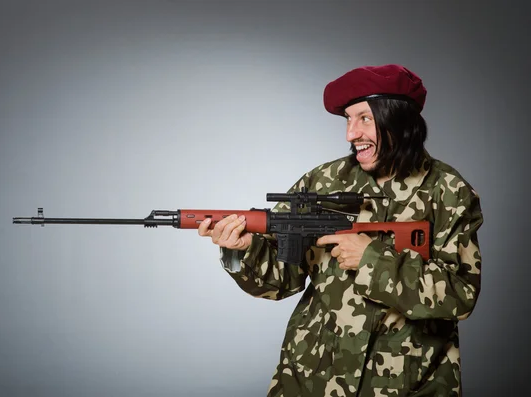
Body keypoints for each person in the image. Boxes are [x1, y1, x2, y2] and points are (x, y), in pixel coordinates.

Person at [198, 64, 483, 396]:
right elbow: (281, 281)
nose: (351, 134)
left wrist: (371, 260)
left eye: (364, 118)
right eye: (348, 120)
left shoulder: (448, 191)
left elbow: (461, 297)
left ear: (400, 120)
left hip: (409, 382)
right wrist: (244, 250)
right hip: (313, 376)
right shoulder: (323, 181)